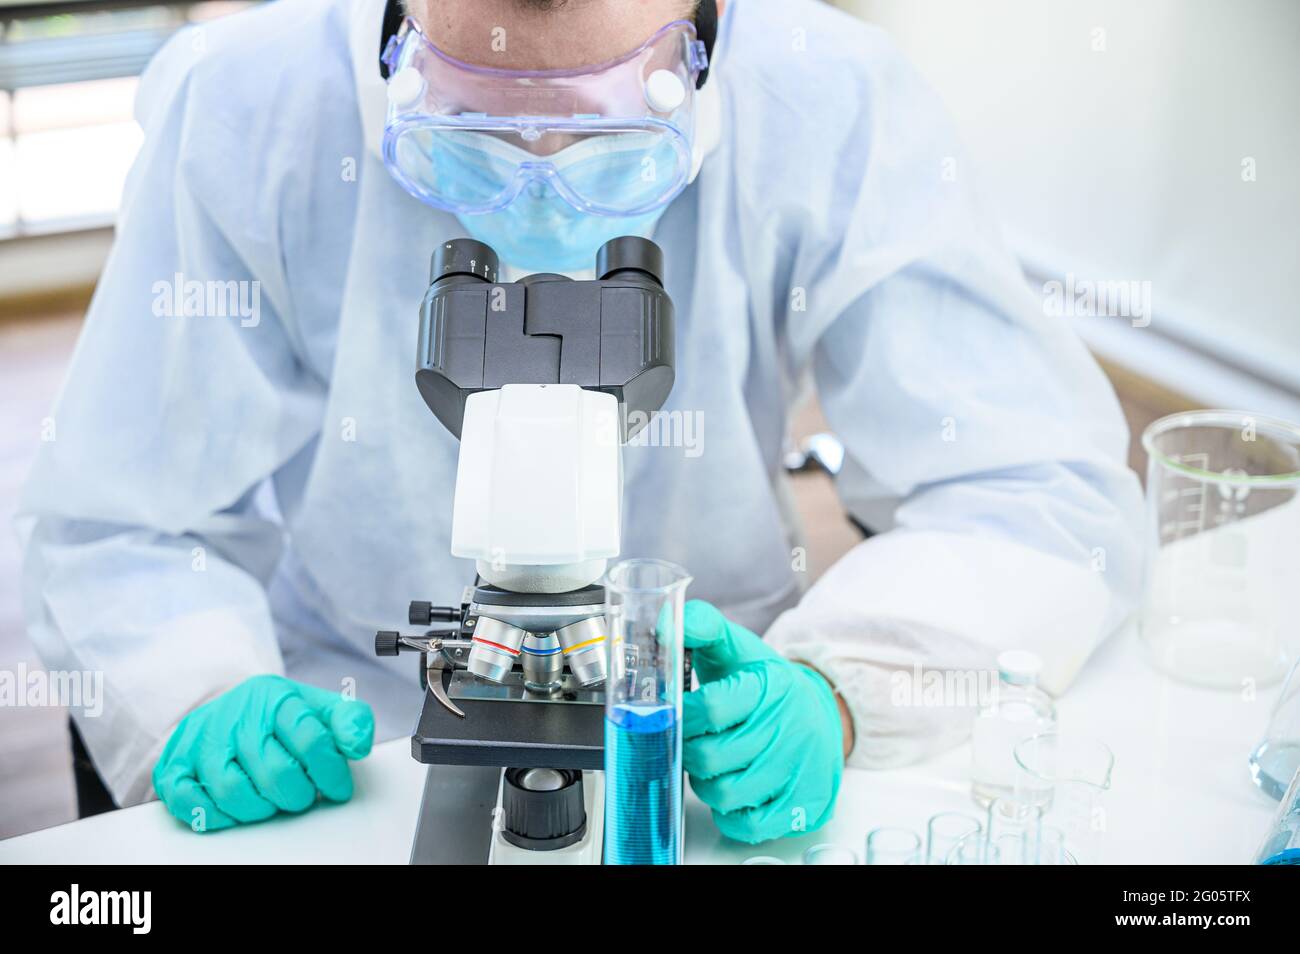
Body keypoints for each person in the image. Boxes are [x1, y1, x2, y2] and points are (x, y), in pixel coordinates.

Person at [18, 0, 1143, 844]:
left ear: (701, 40)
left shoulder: (830, 100)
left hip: (700, 716)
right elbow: (115, 518)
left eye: (602, 124)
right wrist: (203, 692)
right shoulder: (251, 102)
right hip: (350, 723)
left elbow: (1037, 489)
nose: (537, 184)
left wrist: (841, 690)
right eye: (477, 124)